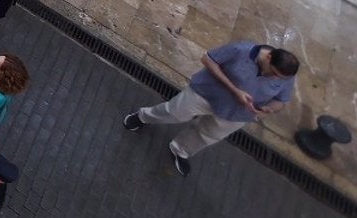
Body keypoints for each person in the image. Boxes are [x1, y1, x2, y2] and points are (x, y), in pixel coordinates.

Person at [124, 42, 300, 175]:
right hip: (206, 94)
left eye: (280, 78)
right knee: (174, 112)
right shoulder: (241, 49)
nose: (275, 78)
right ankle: (143, 117)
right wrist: (235, 90)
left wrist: (269, 109)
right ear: (269, 57)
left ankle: (180, 149)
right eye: (274, 73)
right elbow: (208, 59)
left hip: (236, 115)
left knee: (206, 135)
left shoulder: (285, 77)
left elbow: (281, 101)